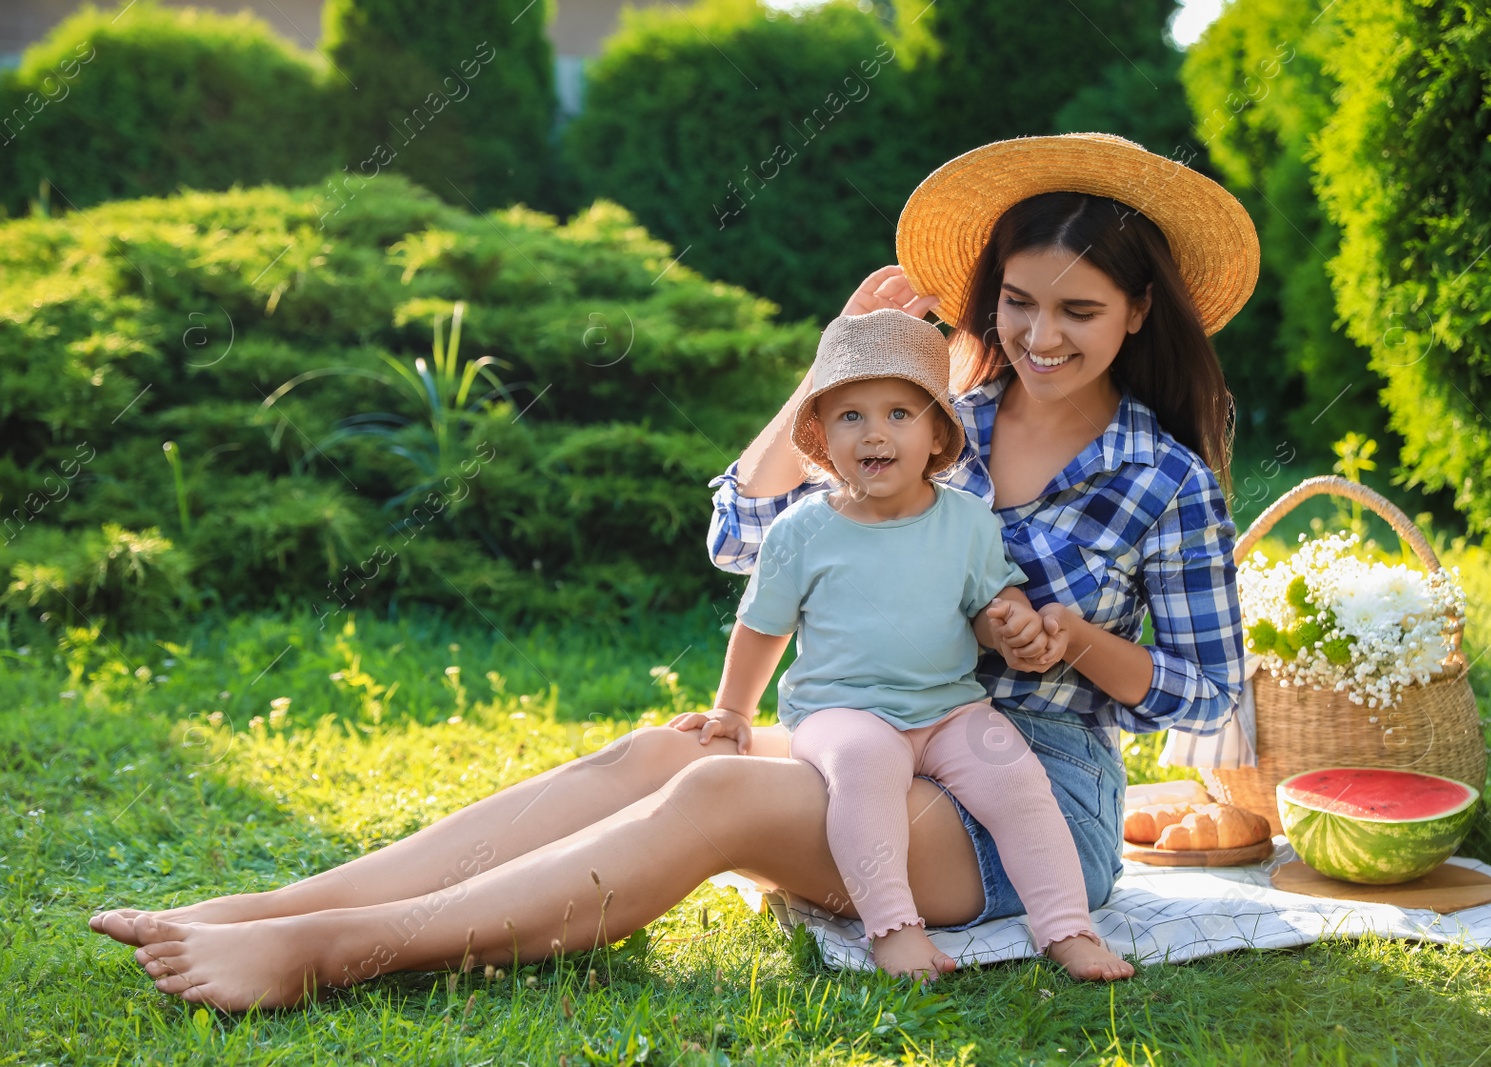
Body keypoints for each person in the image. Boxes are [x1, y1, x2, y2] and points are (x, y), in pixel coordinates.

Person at [86, 133, 1251, 1012]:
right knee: (670, 749)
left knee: (717, 795)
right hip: (879, 737)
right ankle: (276, 908)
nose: (1041, 335)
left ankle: (331, 952)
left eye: (1079, 311)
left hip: (1027, 797)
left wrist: (1078, 638)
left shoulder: (1165, 480)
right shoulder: (946, 417)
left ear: (1140, 311)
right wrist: (825, 374)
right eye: (1018, 303)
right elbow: (748, 538)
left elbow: (1206, 692)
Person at [671, 307, 1133, 981]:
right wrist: (734, 713)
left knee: (1016, 775)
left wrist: (1006, 622)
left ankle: (1067, 928)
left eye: (898, 413)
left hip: (949, 707)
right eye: (850, 416)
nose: (874, 432)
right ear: (823, 436)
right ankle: (893, 926)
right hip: (844, 711)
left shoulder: (967, 521)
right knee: (864, 768)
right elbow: (761, 627)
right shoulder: (803, 530)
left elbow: (988, 600)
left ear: (937, 433)